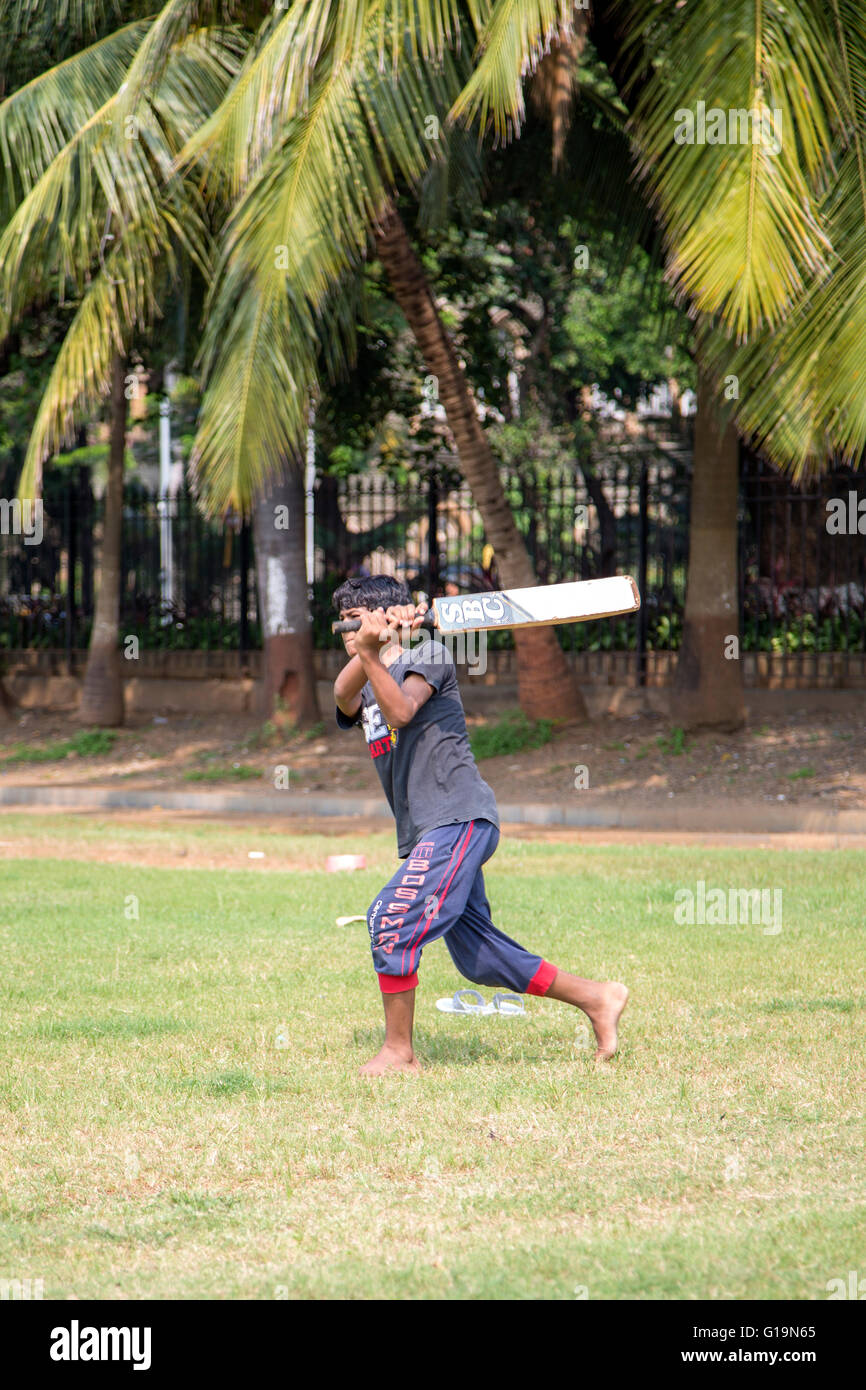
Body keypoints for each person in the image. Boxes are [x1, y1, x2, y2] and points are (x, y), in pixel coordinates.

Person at [332, 574, 629, 1076]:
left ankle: (399, 1053)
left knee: (390, 919)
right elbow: (342, 695)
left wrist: (381, 647)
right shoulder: (363, 678)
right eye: (342, 627)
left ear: (391, 618)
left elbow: (401, 712)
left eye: (355, 622)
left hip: (459, 817)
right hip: (430, 831)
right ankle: (598, 998)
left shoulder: (427, 657)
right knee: (478, 956)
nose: (346, 633)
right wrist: (367, 649)